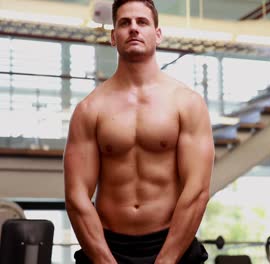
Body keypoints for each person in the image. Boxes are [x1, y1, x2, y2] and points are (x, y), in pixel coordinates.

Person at [63, 0, 214, 263]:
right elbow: (76, 196)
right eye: (124, 23)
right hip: (107, 247)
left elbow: (197, 189)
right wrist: (102, 259)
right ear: (113, 36)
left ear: (157, 34)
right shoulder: (90, 109)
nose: (133, 29)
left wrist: (167, 260)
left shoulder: (187, 103)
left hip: (173, 245)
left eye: (142, 22)